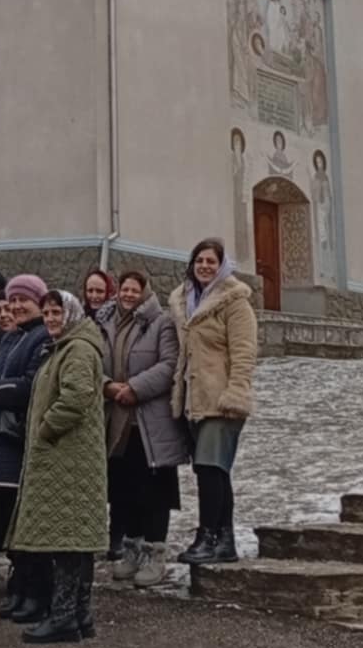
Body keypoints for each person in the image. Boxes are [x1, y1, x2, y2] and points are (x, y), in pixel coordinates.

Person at [7, 288, 108, 643]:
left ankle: (66, 616)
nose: (50, 319)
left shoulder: (77, 349)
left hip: (69, 457)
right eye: (47, 313)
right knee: (75, 540)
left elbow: (77, 395)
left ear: (70, 314)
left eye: (55, 313)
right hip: (69, 457)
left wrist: (47, 427)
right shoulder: (68, 346)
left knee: (68, 539)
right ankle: (79, 615)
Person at [168, 238, 257, 566]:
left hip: (222, 400)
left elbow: (244, 352)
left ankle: (207, 537)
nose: (204, 266)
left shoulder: (234, 301)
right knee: (215, 471)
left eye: (211, 261)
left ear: (222, 266)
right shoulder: (182, 300)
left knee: (209, 468)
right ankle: (225, 541)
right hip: (194, 398)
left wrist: (236, 392)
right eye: (199, 260)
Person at [102, 271, 187, 587]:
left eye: (134, 290)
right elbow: (97, 363)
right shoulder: (108, 323)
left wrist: (135, 388)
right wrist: (108, 387)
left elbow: (169, 365)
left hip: (150, 422)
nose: (128, 294)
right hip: (118, 423)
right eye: (124, 289)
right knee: (124, 490)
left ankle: (155, 554)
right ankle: (132, 550)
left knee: (154, 493)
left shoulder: (160, 323)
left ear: (144, 292)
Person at [0, 275, 52, 622]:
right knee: (8, 517)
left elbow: (31, 384)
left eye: (25, 300)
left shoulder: (42, 338)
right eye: (13, 300)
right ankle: (20, 585)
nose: (18, 307)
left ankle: (37, 591)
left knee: (28, 520)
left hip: (19, 440)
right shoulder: (11, 337)